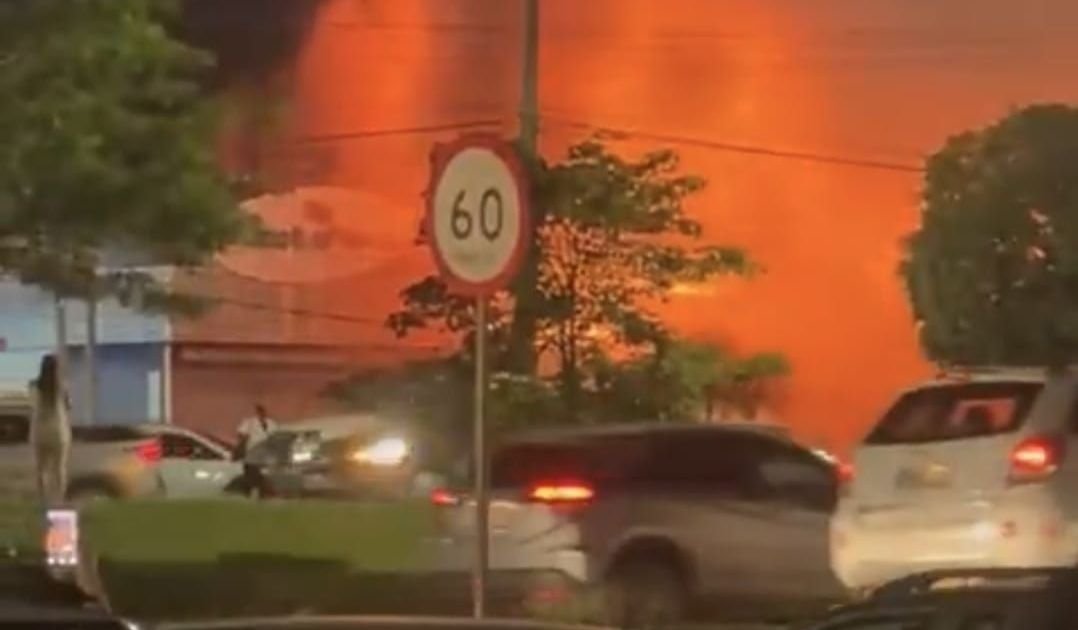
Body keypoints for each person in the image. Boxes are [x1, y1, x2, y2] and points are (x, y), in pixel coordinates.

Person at [29, 354, 71, 505]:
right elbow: (68, 406)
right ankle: (59, 499)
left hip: (39, 430)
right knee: (59, 468)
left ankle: (42, 500)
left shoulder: (34, 385)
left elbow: (32, 404)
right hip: (58, 430)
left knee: (40, 468)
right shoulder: (62, 386)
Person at [235, 404, 277, 497]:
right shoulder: (249, 422)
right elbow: (241, 434)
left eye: (263, 411)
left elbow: (274, 436)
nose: (262, 413)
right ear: (257, 412)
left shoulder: (271, 423)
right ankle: (249, 492)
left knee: (262, 474)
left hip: (266, 453)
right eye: (260, 411)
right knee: (251, 473)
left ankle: (263, 493)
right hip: (252, 451)